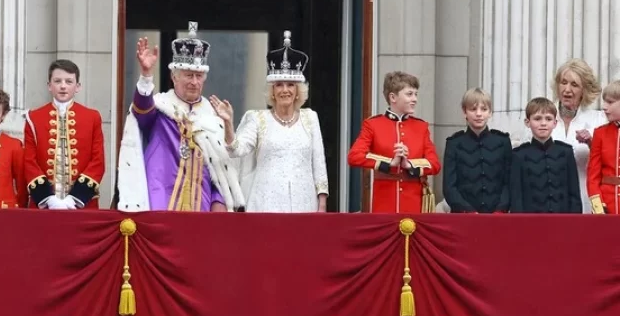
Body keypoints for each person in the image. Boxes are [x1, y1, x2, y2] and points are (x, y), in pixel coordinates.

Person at [116, 21, 244, 212]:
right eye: (188, 75)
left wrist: (219, 203)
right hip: (159, 199)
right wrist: (145, 76)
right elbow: (142, 112)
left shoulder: (212, 117)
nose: (194, 82)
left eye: (198, 76)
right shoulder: (160, 108)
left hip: (201, 206)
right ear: (174, 77)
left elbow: (220, 168)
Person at [209, 31, 328, 212]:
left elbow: (319, 165)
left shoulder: (310, 118)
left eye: (290, 85)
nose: (285, 90)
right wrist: (228, 124)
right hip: (265, 202)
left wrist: (322, 204)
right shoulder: (257, 119)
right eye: (279, 85)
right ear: (272, 91)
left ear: (298, 91)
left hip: (303, 203)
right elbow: (236, 150)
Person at [347, 71, 440, 213]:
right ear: (393, 97)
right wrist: (389, 163)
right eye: (409, 94)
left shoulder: (421, 127)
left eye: (416, 94)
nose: (414, 99)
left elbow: (434, 164)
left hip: (414, 204)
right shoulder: (373, 125)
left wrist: (410, 164)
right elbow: (354, 156)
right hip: (384, 203)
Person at [521, 59, 605, 212]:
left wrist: (592, 144)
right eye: (563, 82)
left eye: (574, 85)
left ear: (584, 89)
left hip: (587, 200)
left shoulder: (598, 120)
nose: (567, 89)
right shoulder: (542, 119)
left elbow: (610, 163)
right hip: (548, 204)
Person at [24, 59, 105, 209]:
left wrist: (75, 198)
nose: (63, 86)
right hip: (44, 205)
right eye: (57, 81)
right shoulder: (33, 118)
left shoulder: (92, 117)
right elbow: (29, 162)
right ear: (49, 85)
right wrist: (47, 198)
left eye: (69, 81)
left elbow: (98, 161)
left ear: (77, 87)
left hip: (82, 204)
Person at [443, 88, 512, 213]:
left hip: (497, 215)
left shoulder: (502, 142)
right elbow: (449, 187)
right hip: (464, 216)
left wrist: (500, 210)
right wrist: (468, 211)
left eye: (484, 109)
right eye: (473, 109)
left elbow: (508, 182)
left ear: (490, 112)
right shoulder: (454, 143)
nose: (479, 114)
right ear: (465, 112)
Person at [510, 97, 581, 213]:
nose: (543, 123)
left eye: (548, 119)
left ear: (555, 123)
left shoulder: (566, 152)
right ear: (527, 122)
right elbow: (516, 197)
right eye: (537, 119)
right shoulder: (519, 155)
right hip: (530, 223)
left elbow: (574, 194)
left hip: (562, 222)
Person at [587, 81, 620, 214]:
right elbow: (593, 175)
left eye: (610, 102)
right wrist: (598, 206)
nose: (604, 107)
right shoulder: (600, 133)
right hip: (607, 204)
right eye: (604, 102)